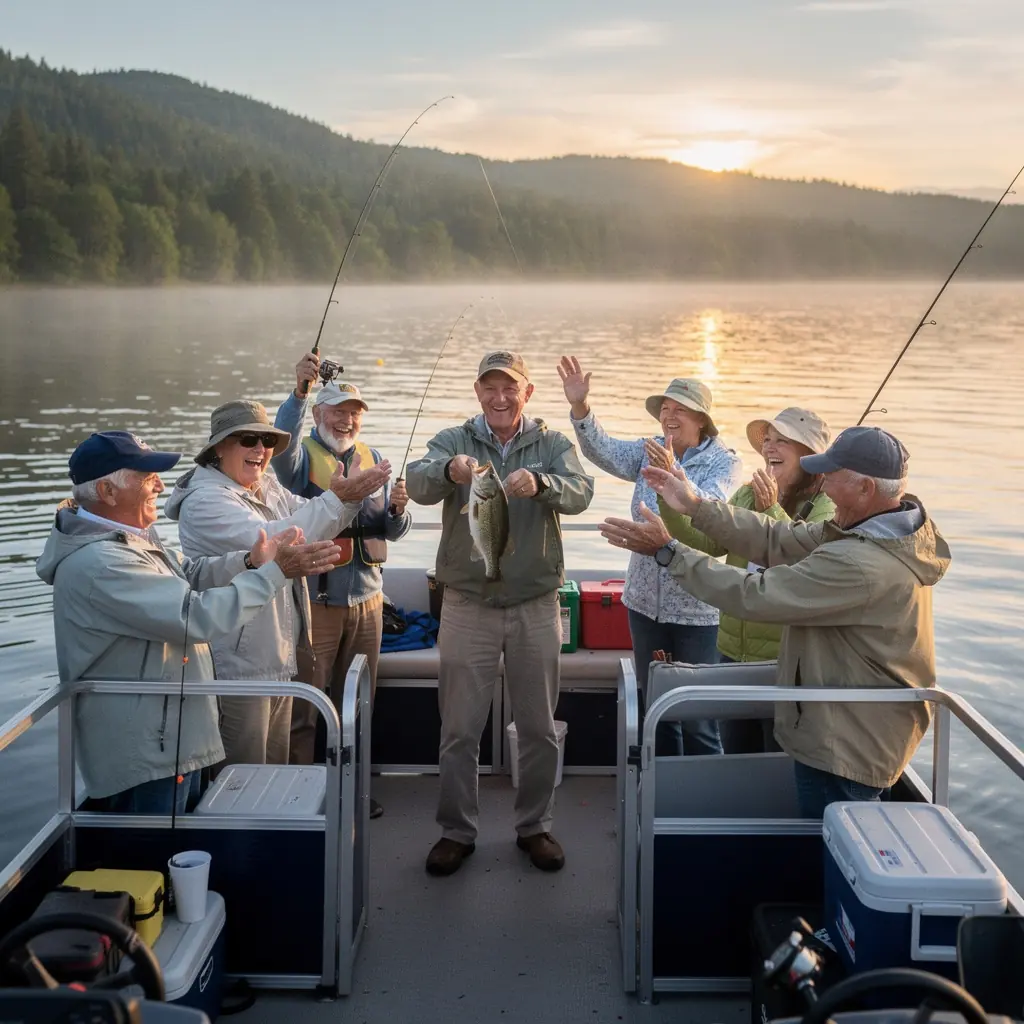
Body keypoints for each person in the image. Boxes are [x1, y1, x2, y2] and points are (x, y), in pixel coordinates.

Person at [598, 425, 950, 818]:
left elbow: (757, 593)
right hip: (850, 725)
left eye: (832, 475)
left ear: (866, 488)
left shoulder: (860, 563)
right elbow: (779, 537)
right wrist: (695, 503)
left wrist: (669, 553)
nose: (826, 485)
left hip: (848, 743)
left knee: (832, 856)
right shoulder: (871, 532)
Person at [35, 430, 342, 814]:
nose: (160, 485)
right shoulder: (101, 563)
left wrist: (249, 562)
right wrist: (276, 573)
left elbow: (189, 574)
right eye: (146, 477)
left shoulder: (132, 540)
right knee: (151, 862)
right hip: (146, 753)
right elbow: (194, 617)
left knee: (180, 854)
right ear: (107, 493)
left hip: (171, 737)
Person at [406, 350, 594, 875]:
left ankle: (535, 827)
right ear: (477, 392)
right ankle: (456, 831)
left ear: (527, 393)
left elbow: (582, 492)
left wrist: (543, 485)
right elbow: (417, 484)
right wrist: (450, 469)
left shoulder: (552, 443)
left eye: (510, 387)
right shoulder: (455, 440)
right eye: (490, 387)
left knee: (538, 728)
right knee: (459, 729)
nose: (500, 397)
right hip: (467, 604)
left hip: (536, 605)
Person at [165, 399, 391, 770]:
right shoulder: (204, 502)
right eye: (248, 439)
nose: (260, 450)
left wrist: (347, 501)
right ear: (219, 447)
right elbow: (278, 538)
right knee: (241, 778)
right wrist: (340, 498)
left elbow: (310, 515)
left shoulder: (265, 485)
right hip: (237, 666)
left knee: (275, 773)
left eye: (267, 441)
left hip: (277, 655)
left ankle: (275, 830)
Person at [557, 356, 743, 755]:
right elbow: (601, 450)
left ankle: (700, 810)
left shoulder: (725, 461)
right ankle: (657, 805)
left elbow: (710, 511)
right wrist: (580, 407)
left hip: (698, 612)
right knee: (654, 712)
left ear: (702, 420)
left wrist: (675, 472)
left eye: (680, 410)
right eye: (665, 408)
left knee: (697, 719)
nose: (669, 416)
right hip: (643, 606)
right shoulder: (650, 450)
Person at [273, 353, 411, 819]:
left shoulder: (370, 458)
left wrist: (396, 511)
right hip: (318, 601)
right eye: (337, 412)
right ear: (318, 416)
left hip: (369, 599)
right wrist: (299, 393)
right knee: (305, 706)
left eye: (354, 413)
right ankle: (300, 796)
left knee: (357, 703)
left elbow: (388, 533)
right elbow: (280, 445)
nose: (347, 420)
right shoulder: (298, 458)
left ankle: (352, 791)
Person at [658, 407, 836, 665]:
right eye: (767, 440)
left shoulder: (827, 506)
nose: (769, 448)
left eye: (782, 441)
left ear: (809, 455)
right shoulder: (748, 493)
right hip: (730, 646)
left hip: (782, 656)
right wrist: (668, 497)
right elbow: (709, 543)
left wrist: (771, 510)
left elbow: (809, 565)